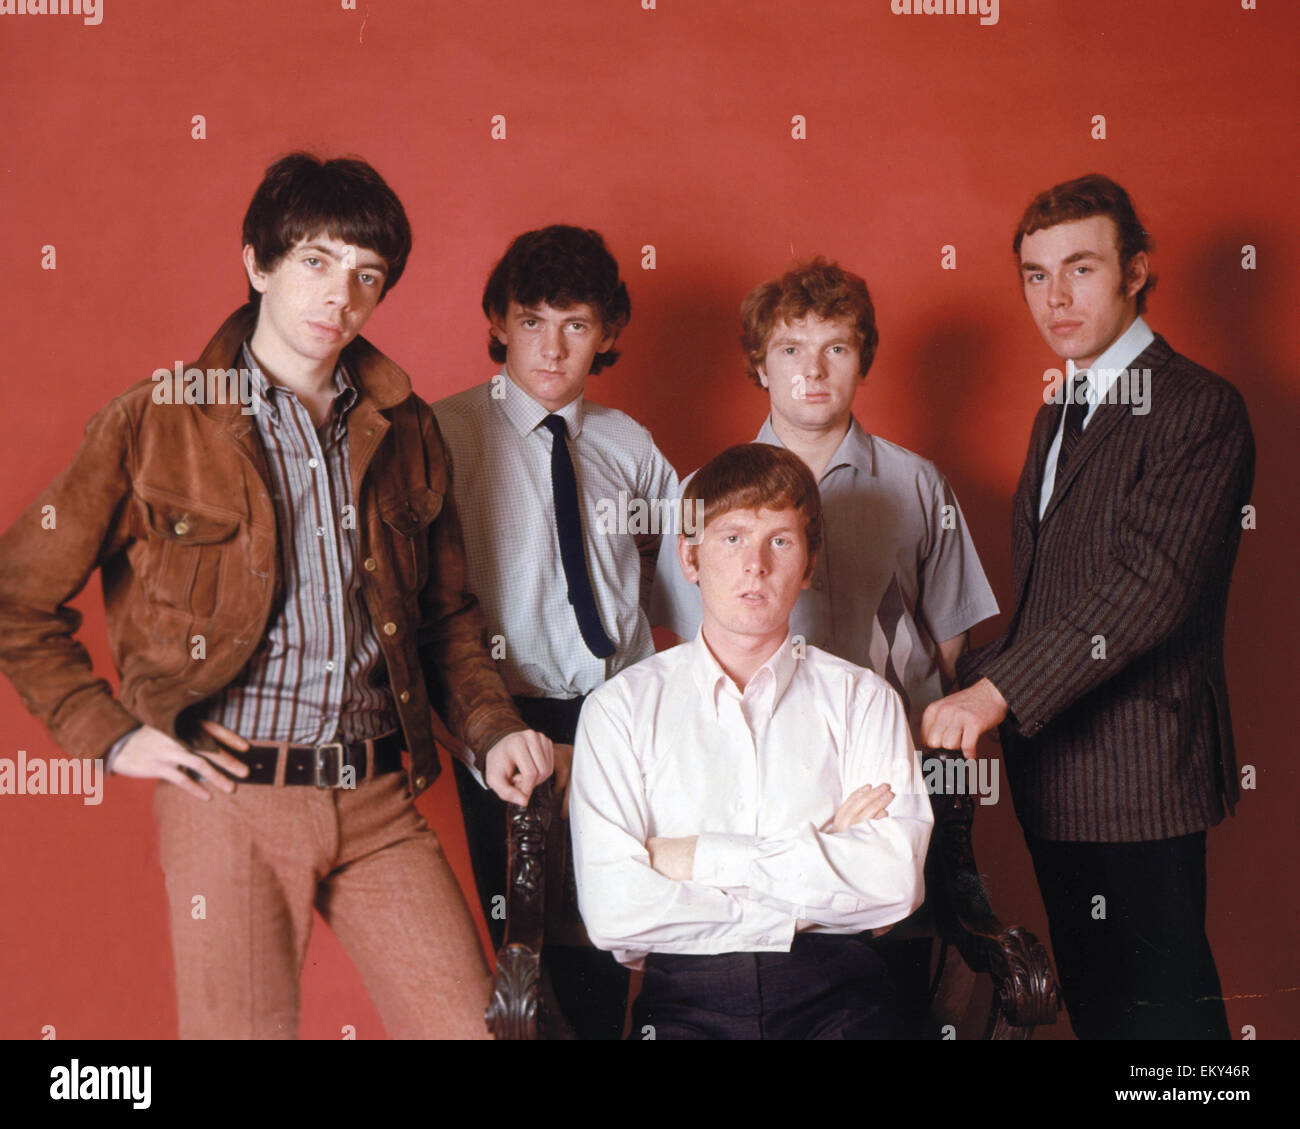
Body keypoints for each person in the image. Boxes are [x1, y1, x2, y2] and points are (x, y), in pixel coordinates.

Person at [0, 153, 553, 1039]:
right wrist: (106, 735)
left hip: (377, 795)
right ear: (258, 262)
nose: (342, 293)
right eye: (316, 261)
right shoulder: (156, 420)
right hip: (231, 803)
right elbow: (15, 599)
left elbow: (446, 617)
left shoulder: (404, 424)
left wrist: (489, 733)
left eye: (367, 275)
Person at [921, 173, 1254, 1040]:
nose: (1055, 297)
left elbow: (1150, 586)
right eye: (1035, 274)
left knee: (1173, 1041)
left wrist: (991, 696)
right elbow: (1048, 604)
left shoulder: (1197, 406)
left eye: (1080, 268)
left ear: (1136, 270)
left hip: (1142, 776)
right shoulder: (1060, 407)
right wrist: (925, 689)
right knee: (1109, 1024)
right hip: (1058, 775)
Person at [571, 443, 933, 1040]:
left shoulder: (864, 700)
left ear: (810, 563)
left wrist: (693, 858)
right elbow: (614, 912)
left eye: (781, 541)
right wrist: (822, 856)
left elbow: (893, 884)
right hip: (684, 1005)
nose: (755, 565)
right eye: (732, 538)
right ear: (690, 557)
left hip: (842, 999)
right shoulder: (619, 710)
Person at [432, 225, 678, 1039]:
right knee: (525, 949)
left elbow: (673, 573)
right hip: (504, 715)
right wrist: (483, 727)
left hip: (614, 716)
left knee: (613, 938)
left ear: (607, 334)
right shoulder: (441, 436)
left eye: (576, 324)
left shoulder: (630, 444)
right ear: (498, 321)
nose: (552, 346)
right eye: (531, 320)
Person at [650, 257, 997, 741]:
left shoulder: (920, 483)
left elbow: (949, 645)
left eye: (835, 348)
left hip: (897, 748)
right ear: (761, 366)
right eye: (790, 349)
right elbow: (694, 646)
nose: (812, 371)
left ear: (862, 361)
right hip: (761, 756)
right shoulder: (700, 494)